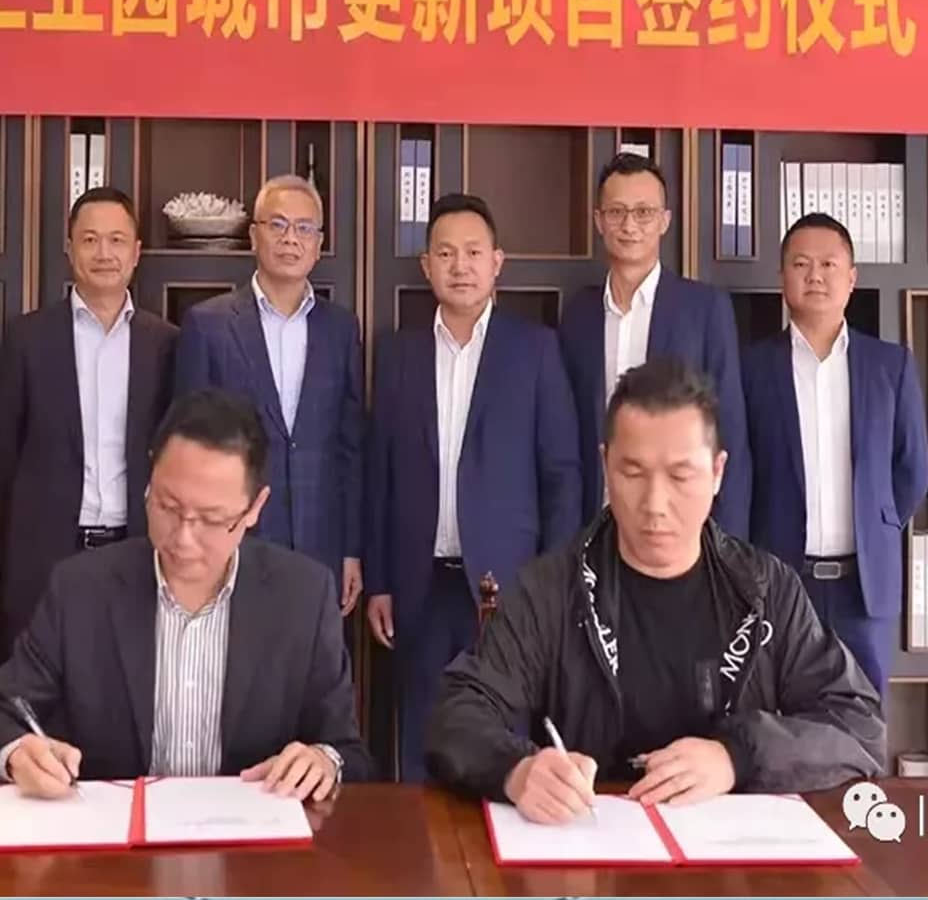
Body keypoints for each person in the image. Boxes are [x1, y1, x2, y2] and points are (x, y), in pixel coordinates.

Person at [426, 357, 885, 822]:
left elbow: (860, 728)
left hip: (729, 847)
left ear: (717, 473)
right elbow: (456, 716)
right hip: (590, 835)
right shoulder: (551, 589)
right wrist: (517, 770)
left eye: (680, 476)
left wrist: (737, 755)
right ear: (605, 466)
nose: (655, 504)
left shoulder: (766, 591)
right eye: (633, 473)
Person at [0, 389, 370, 799]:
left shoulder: (302, 597)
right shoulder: (82, 590)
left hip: (251, 841)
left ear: (255, 508)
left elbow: (348, 752)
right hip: (117, 838)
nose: (183, 538)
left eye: (211, 519)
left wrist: (324, 761)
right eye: (168, 506)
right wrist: (15, 753)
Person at [365, 193, 583, 782]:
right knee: (419, 737)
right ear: (426, 265)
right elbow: (380, 475)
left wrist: (550, 584)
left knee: (502, 738)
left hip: (506, 586)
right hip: (418, 582)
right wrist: (380, 581)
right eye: (445, 254)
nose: (459, 266)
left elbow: (561, 474)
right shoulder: (399, 353)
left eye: (473, 252)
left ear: (497, 262)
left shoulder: (534, 349)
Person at [745, 212, 928, 699]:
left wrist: (877, 522)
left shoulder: (890, 365)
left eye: (829, 264)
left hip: (863, 588)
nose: (815, 275)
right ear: (782, 278)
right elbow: (742, 472)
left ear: (851, 278)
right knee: (779, 722)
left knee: (863, 721)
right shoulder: (752, 368)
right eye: (801, 264)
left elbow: (912, 468)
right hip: (781, 582)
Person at [0, 186, 178, 649]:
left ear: (136, 253)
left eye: (117, 240)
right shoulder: (27, 338)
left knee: (128, 680)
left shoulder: (166, 343)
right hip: (45, 554)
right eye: (90, 240)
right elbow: (1, 453)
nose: (104, 253)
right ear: (69, 249)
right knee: (43, 682)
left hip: (137, 549)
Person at [174, 175, 364, 614]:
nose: (290, 239)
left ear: (318, 244)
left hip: (321, 544)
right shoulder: (208, 326)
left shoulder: (340, 329)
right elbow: (189, 448)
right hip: (234, 541)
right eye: (277, 225)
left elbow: (351, 447)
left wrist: (352, 550)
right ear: (254, 236)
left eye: (304, 228)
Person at [558, 152, 751, 536]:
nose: (629, 225)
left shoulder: (704, 308)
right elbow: (564, 435)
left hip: (678, 528)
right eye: (616, 212)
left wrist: (727, 548)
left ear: (665, 220)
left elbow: (730, 431)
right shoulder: (579, 313)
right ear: (598, 221)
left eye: (644, 212)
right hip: (595, 526)